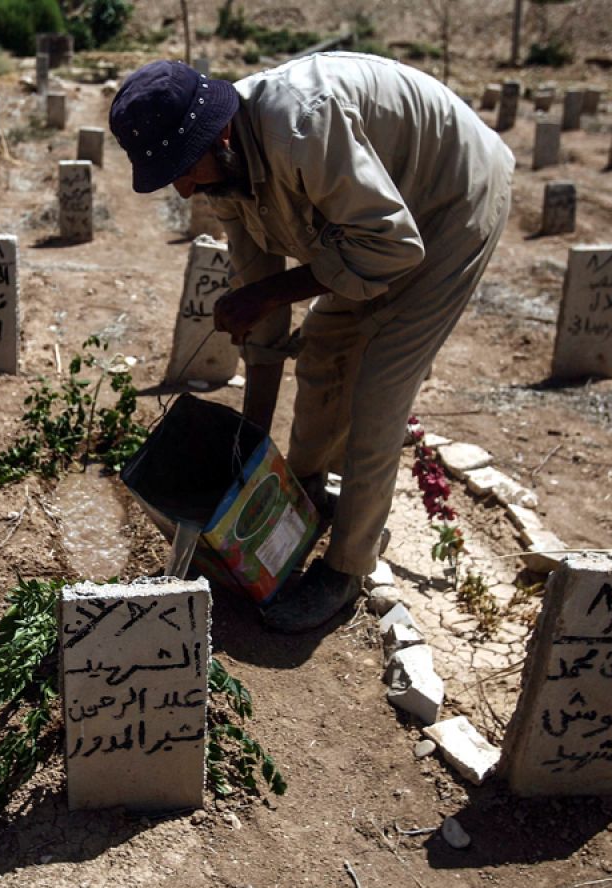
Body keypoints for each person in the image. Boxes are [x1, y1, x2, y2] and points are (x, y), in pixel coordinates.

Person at [109, 53, 514, 633]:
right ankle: (304, 494)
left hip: (451, 201)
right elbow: (263, 313)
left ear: (217, 132)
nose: (181, 185)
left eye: (183, 166)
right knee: (323, 351)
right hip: (371, 223)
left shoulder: (302, 129)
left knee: (379, 387)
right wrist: (247, 457)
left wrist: (270, 293)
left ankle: (347, 567)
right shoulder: (220, 170)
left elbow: (393, 250)